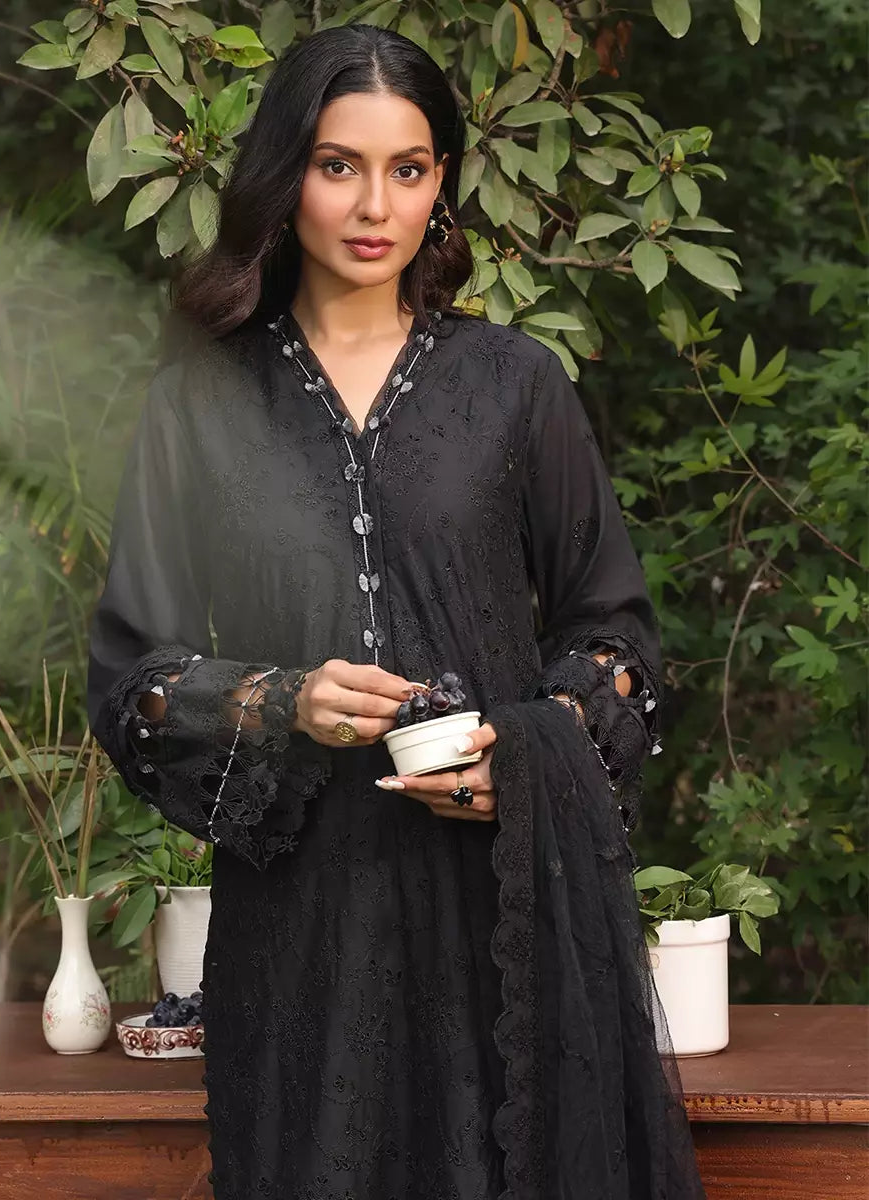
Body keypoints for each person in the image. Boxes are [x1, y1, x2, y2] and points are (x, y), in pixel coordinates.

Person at [87, 23, 705, 1200]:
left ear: (441, 184)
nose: (376, 205)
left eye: (408, 169)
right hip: (304, 934)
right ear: (287, 175)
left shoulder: (515, 385)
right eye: (339, 165)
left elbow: (616, 637)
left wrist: (528, 754)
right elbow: (132, 682)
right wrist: (281, 700)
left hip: (502, 914)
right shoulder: (200, 404)